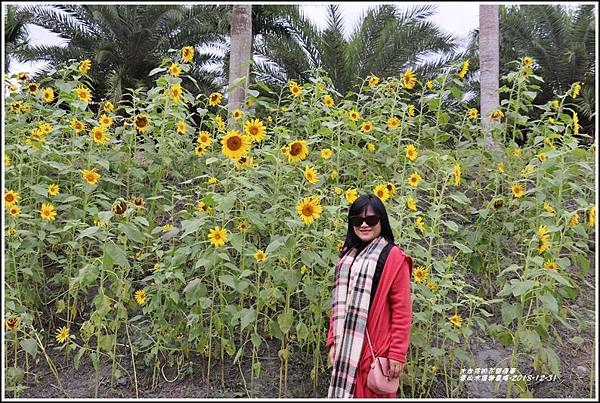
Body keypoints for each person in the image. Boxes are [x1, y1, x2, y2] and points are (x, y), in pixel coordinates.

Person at [327, 193, 413, 398]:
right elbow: (338, 304)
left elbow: (402, 311)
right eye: (357, 220)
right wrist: (333, 342)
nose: (364, 224)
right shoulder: (348, 256)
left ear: (381, 221)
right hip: (346, 347)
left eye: (371, 220)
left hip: (375, 350)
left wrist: (397, 354)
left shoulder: (394, 257)